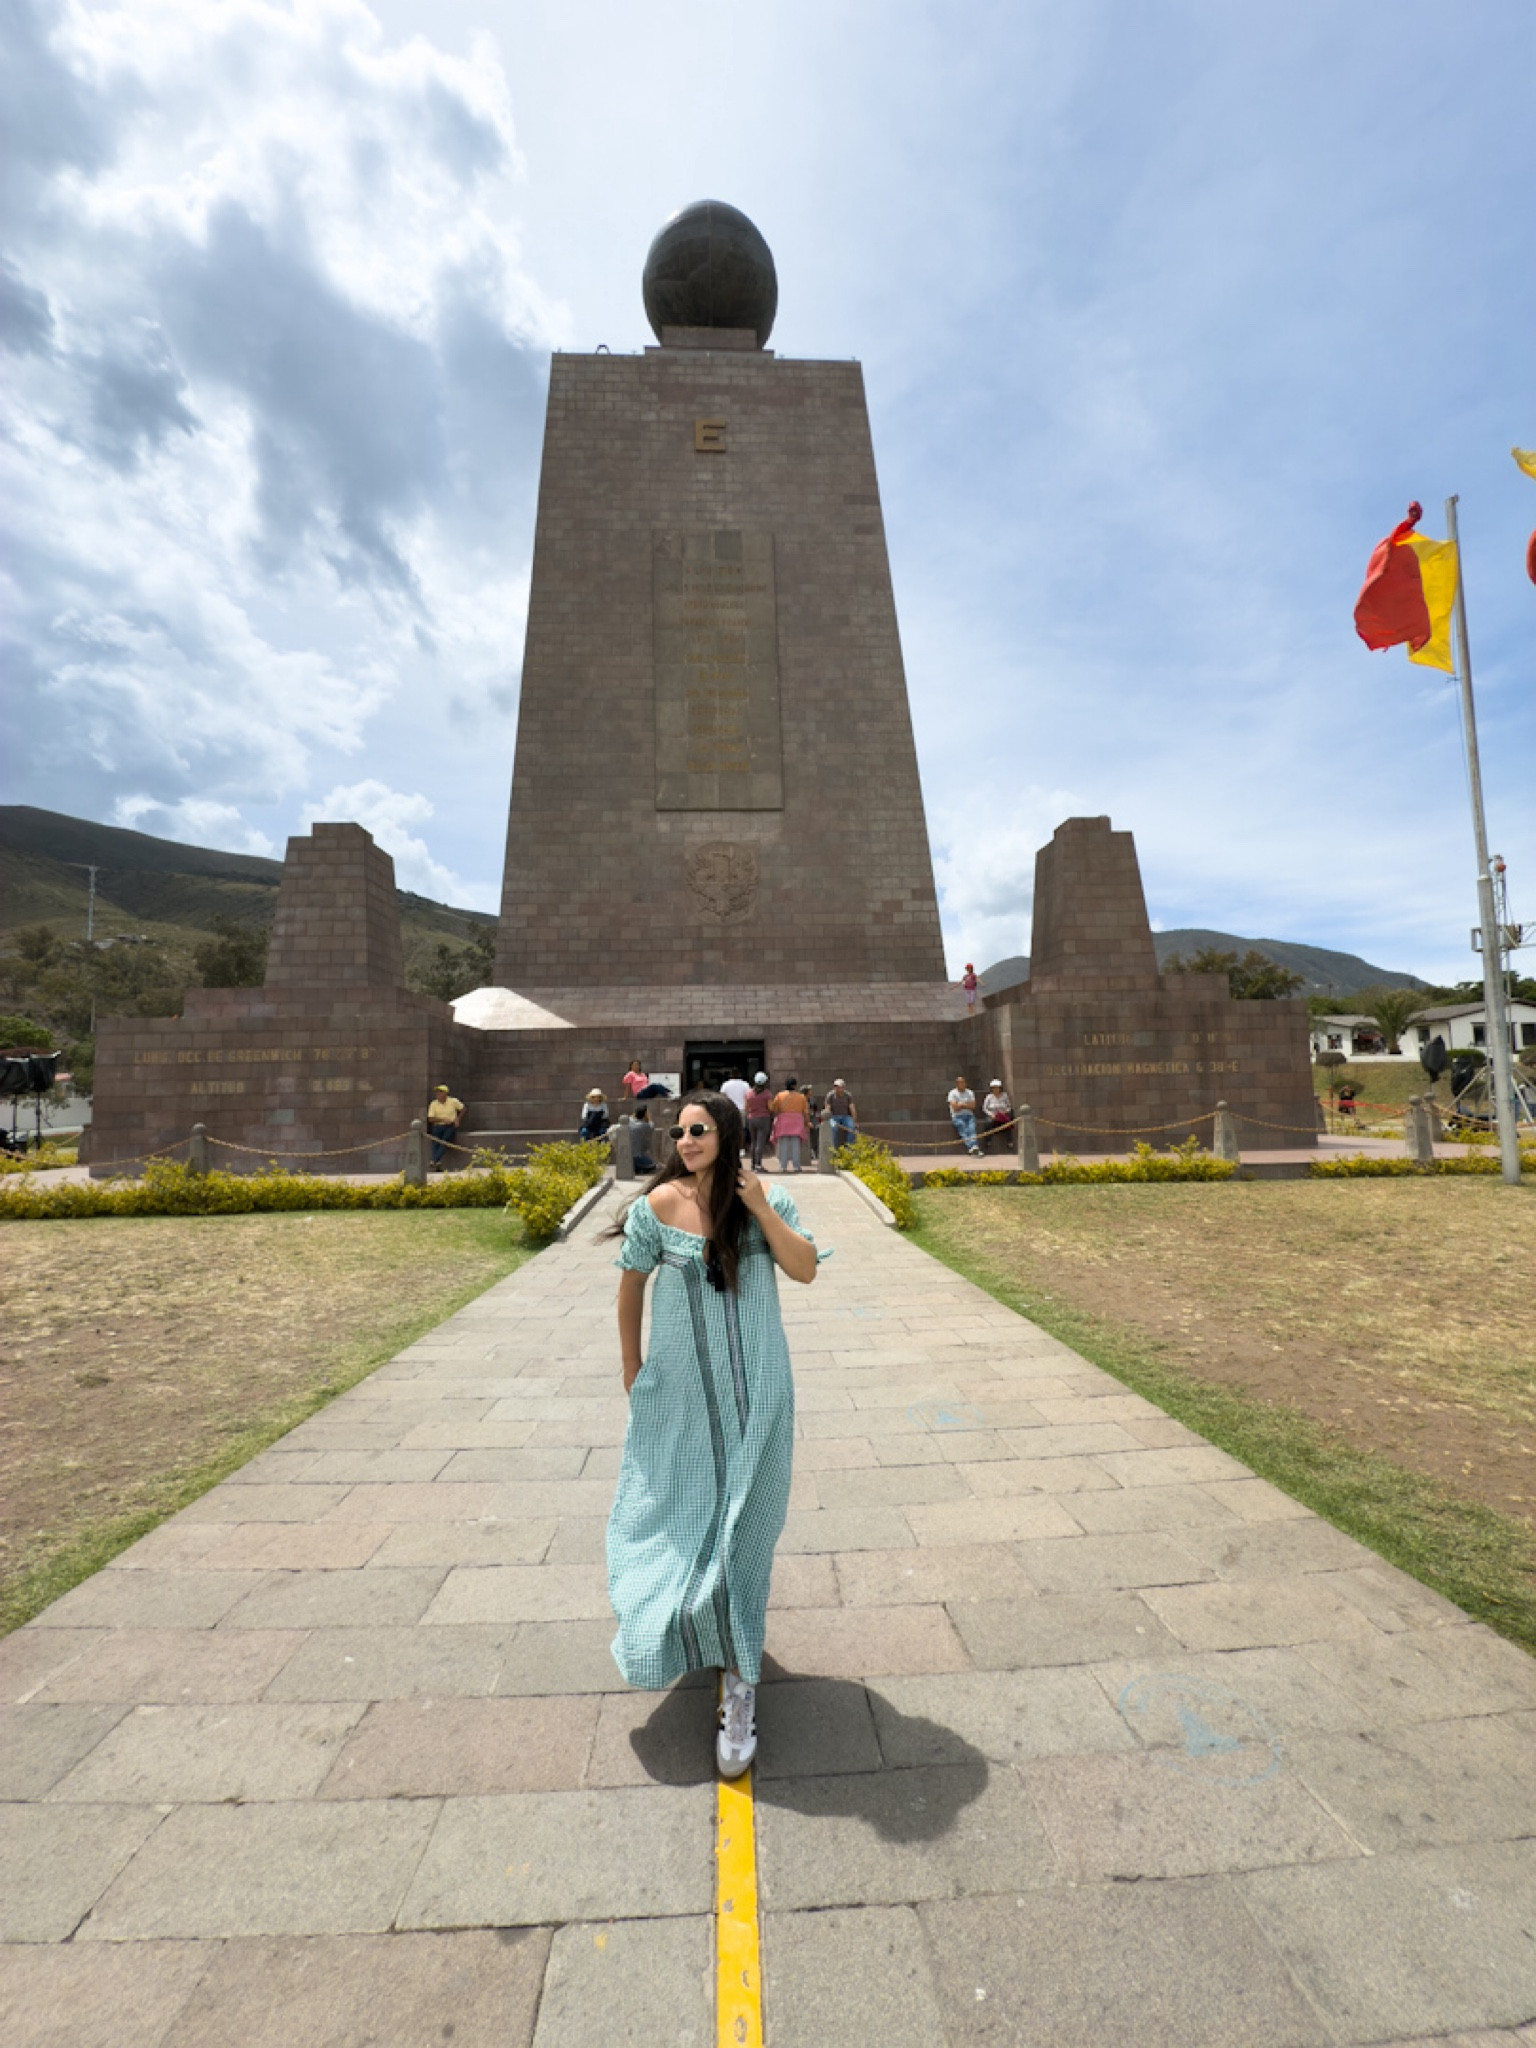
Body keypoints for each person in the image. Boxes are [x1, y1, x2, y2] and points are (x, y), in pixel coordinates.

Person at [607, 1089, 818, 1776]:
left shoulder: (764, 1205)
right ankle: (694, 1633)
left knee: (746, 1529)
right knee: (678, 1518)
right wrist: (633, 1368)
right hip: (683, 1401)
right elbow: (630, 1285)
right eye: (679, 1131)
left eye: (699, 1129)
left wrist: (758, 1205)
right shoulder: (658, 1207)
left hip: (757, 1396)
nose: (686, 1139)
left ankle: (739, 1676)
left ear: (726, 1133)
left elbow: (805, 1266)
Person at [770, 1076, 810, 1173]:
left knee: (783, 1144)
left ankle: (783, 1166)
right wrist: (806, 1123)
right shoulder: (801, 1097)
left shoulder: (779, 1095)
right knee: (795, 1144)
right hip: (797, 1121)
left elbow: (773, 1108)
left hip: (783, 1121)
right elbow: (805, 1112)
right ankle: (796, 1166)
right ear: (795, 1086)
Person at [427, 1083, 464, 1168]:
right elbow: (430, 1118)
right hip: (438, 1126)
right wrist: (442, 1120)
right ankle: (437, 1161)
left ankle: (435, 1160)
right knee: (435, 1142)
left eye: (440, 1092)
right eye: (437, 1092)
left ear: (445, 1093)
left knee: (445, 1141)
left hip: (450, 1126)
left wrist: (457, 1119)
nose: (438, 1094)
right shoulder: (433, 1104)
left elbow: (463, 1109)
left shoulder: (453, 1101)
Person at [744, 1071, 774, 1172]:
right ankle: (758, 1164)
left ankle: (752, 1164)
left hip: (751, 1118)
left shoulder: (749, 1093)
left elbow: (746, 1107)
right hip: (763, 1118)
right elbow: (770, 1108)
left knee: (753, 1141)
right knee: (760, 1142)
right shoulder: (767, 1094)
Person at [947, 1075, 982, 1155]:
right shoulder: (952, 1093)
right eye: (960, 1083)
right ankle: (972, 1147)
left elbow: (973, 1106)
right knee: (962, 1128)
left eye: (963, 1082)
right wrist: (966, 1105)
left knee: (971, 1129)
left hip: (969, 1115)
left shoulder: (970, 1092)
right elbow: (955, 1107)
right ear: (957, 1084)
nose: (962, 1084)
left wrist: (961, 1105)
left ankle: (974, 1147)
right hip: (957, 1116)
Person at [823, 1078, 857, 1153]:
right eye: (835, 1086)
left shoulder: (848, 1095)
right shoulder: (830, 1095)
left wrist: (854, 1121)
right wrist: (827, 1118)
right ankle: (834, 1150)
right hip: (833, 1117)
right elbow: (827, 1108)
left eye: (838, 1087)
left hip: (846, 1116)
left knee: (851, 1128)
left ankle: (849, 1149)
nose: (837, 1088)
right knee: (833, 1129)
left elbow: (852, 1108)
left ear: (843, 1087)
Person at [981, 1079, 1013, 1152]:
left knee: (1008, 1124)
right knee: (988, 1123)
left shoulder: (1004, 1096)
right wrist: (991, 1115)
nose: (996, 1089)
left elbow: (1009, 1107)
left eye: (997, 1087)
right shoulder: (989, 1097)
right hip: (992, 1115)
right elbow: (984, 1108)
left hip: (1002, 1116)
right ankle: (988, 1141)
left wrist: (1005, 1112)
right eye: (994, 1088)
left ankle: (1009, 1141)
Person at [627, 1102, 657, 1174]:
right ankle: (638, 1169)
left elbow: (631, 1117)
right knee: (652, 1165)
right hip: (636, 1156)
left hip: (626, 1155)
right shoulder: (643, 1125)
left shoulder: (629, 1121)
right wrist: (649, 1118)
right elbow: (651, 1126)